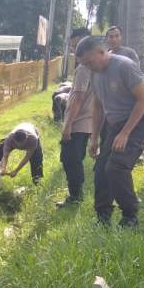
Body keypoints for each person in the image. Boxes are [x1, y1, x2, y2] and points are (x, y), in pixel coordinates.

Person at [76, 36, 144, 228]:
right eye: (84, 64)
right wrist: (94, 138)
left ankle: (130, 216)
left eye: (89, 62)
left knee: (117, 167)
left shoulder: (124, 66)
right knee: (101, 169)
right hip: (114, 124)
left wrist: (126, 132)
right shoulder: (95, 72)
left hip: (138, 121)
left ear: (102, 52)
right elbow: (98, 107)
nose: (88, 67)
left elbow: (143, 101)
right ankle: (103, 216)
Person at [57, 28, 95, 207]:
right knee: (76, 159)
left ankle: (76, 196)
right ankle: (76, 193)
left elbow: (78, 98)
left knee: (69, 160)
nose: (74, 51)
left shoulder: (83, 69)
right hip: (87, 121)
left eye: (75, 46)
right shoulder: (95, 67)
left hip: (78, 122)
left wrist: (67, 125)